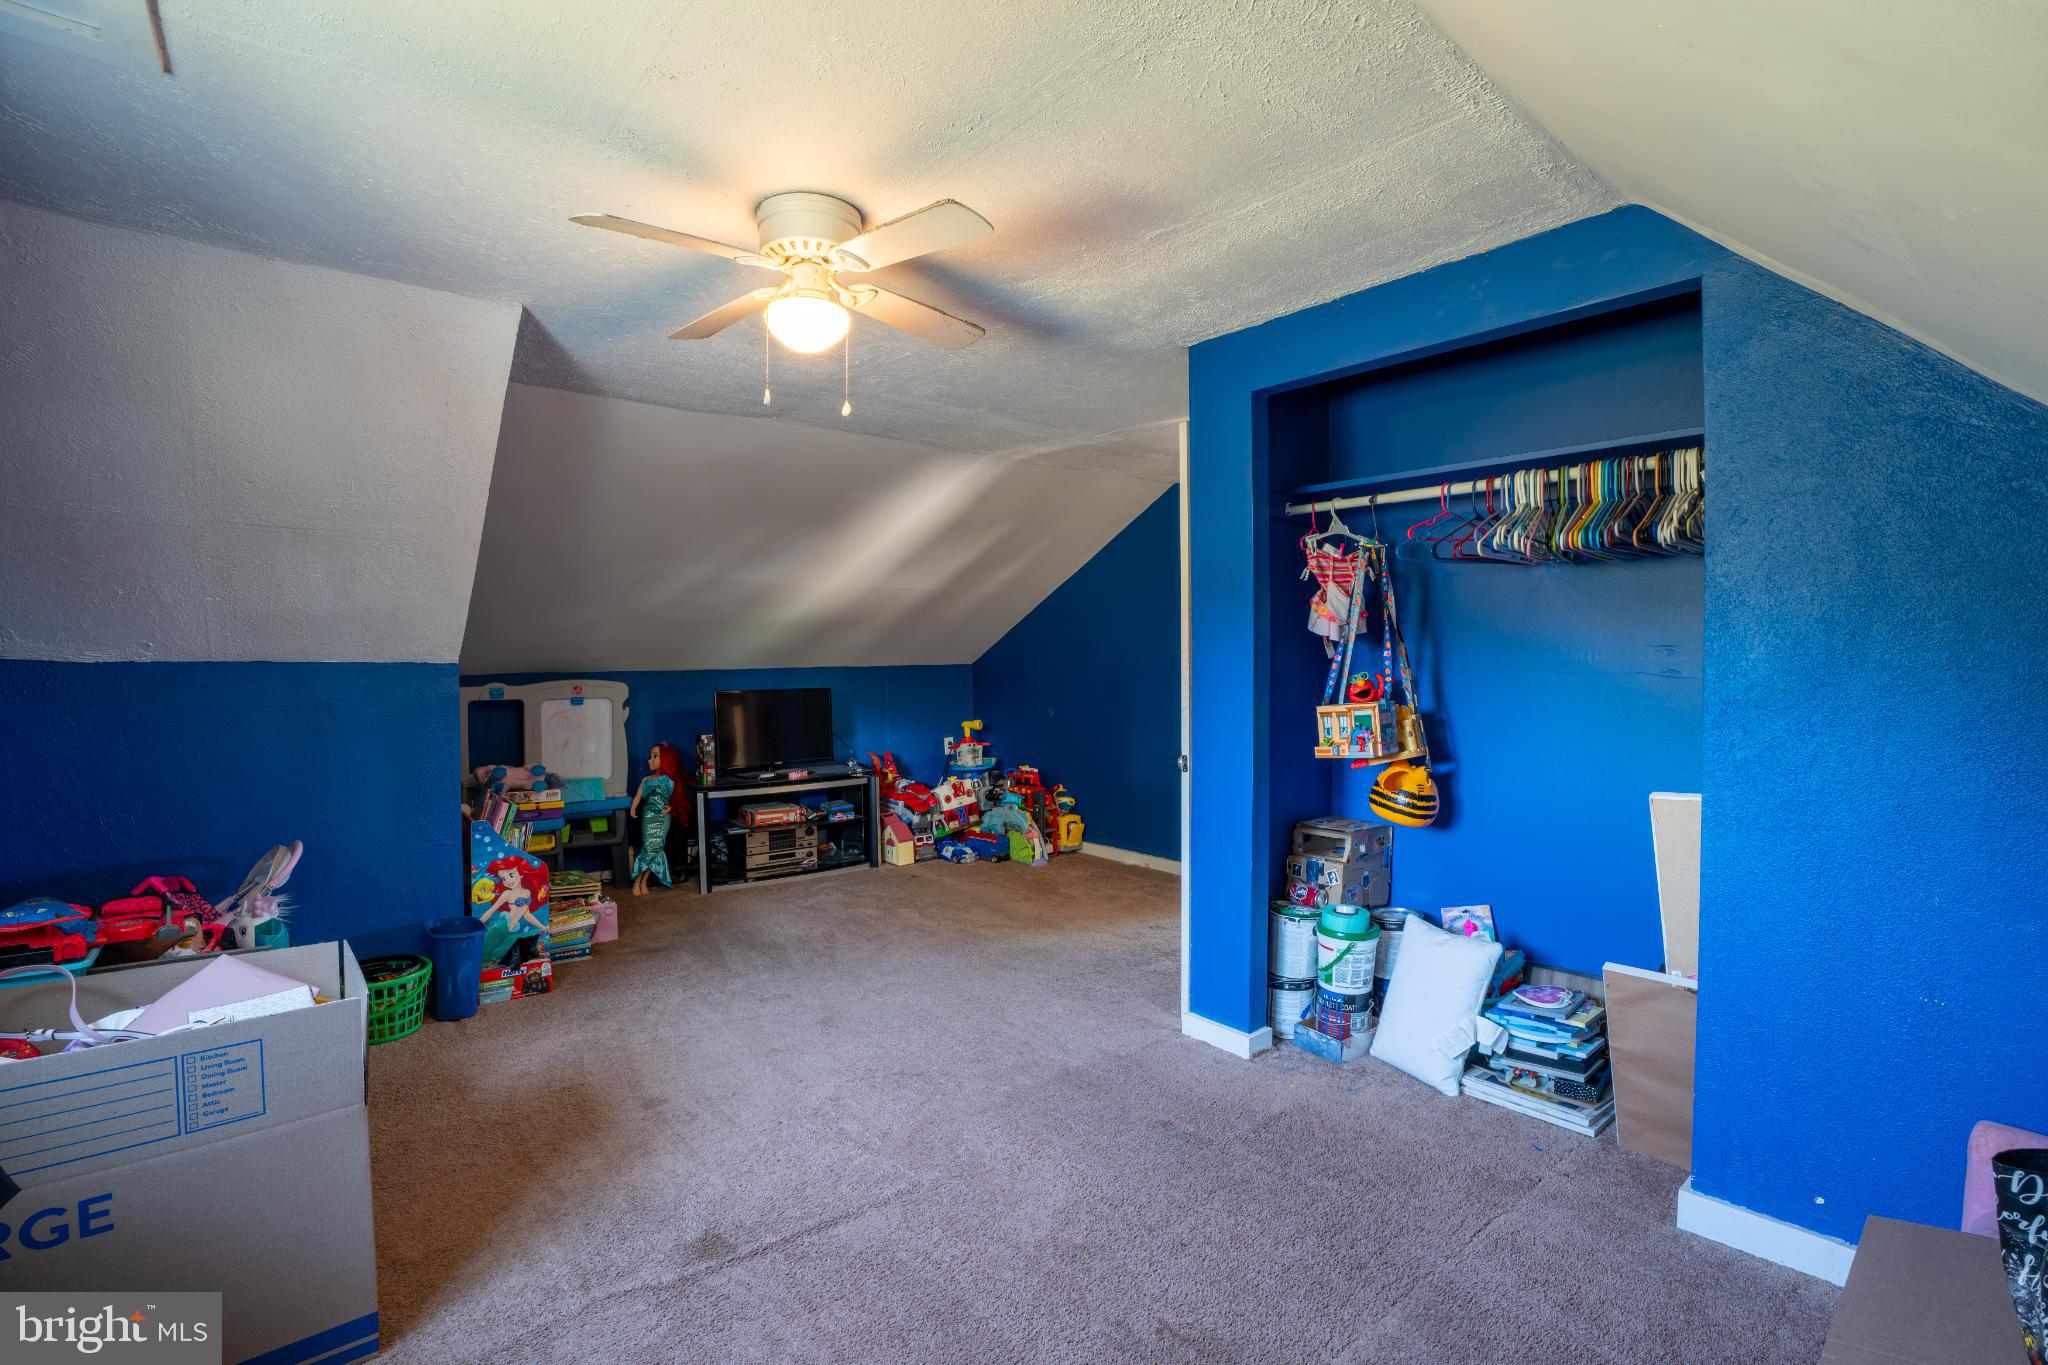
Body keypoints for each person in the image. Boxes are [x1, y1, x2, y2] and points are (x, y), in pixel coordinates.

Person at [630, 742, 684, 895]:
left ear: (666, 759)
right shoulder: (646, 780)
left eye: (655, 756)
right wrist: (633, 806)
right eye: (650, 757)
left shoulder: (670, 781)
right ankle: (637, 883)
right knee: (648, 849)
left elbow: (678, 801)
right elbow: (638, 797)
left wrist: (671, 807)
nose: (650, 760)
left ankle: (642, 882)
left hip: (663, 820)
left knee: (656, 850)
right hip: (649, 818)